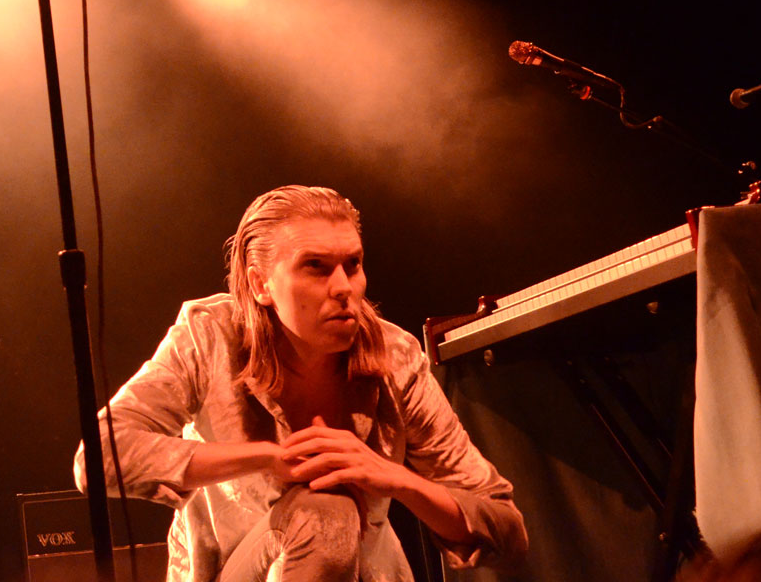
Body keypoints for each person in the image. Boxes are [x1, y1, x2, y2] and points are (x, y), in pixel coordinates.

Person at [75, 186, 526, 582]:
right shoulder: (209, 334)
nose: (343, 287)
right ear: (259, 284)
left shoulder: (395, 356)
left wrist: (396, 479)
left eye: (353, 265)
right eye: (315, 267)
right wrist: (270, 459)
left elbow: (507, 530)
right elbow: (98, 459)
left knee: (330, 513)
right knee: (324, 512)